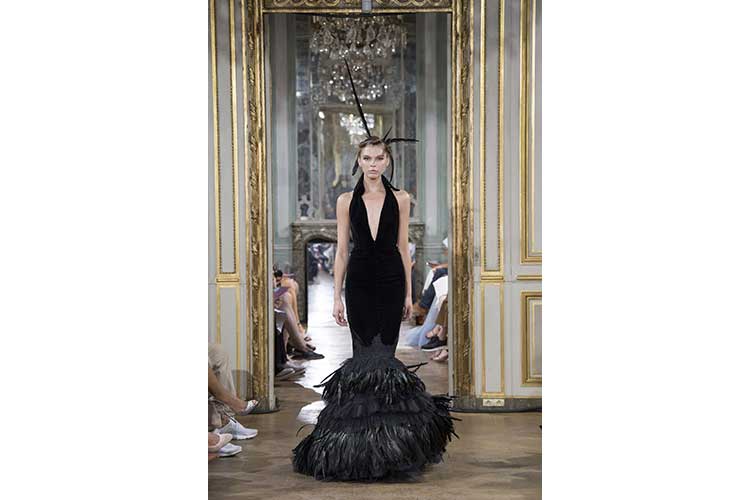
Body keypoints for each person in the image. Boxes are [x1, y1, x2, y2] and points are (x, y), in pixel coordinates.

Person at [292, 59, 459, 481]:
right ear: (359, 160)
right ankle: (359, 450)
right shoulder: (345, 201)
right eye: (366, 157)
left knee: (385, 360)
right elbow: (341, 251)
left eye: (379, 157)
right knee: (363, 357)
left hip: (389, 282)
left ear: (387, 161)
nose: (372, 164)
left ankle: (390, 448)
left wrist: (409, 296)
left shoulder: (401, 199)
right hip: (360, 284)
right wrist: (335, 297)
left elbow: (403, 247)